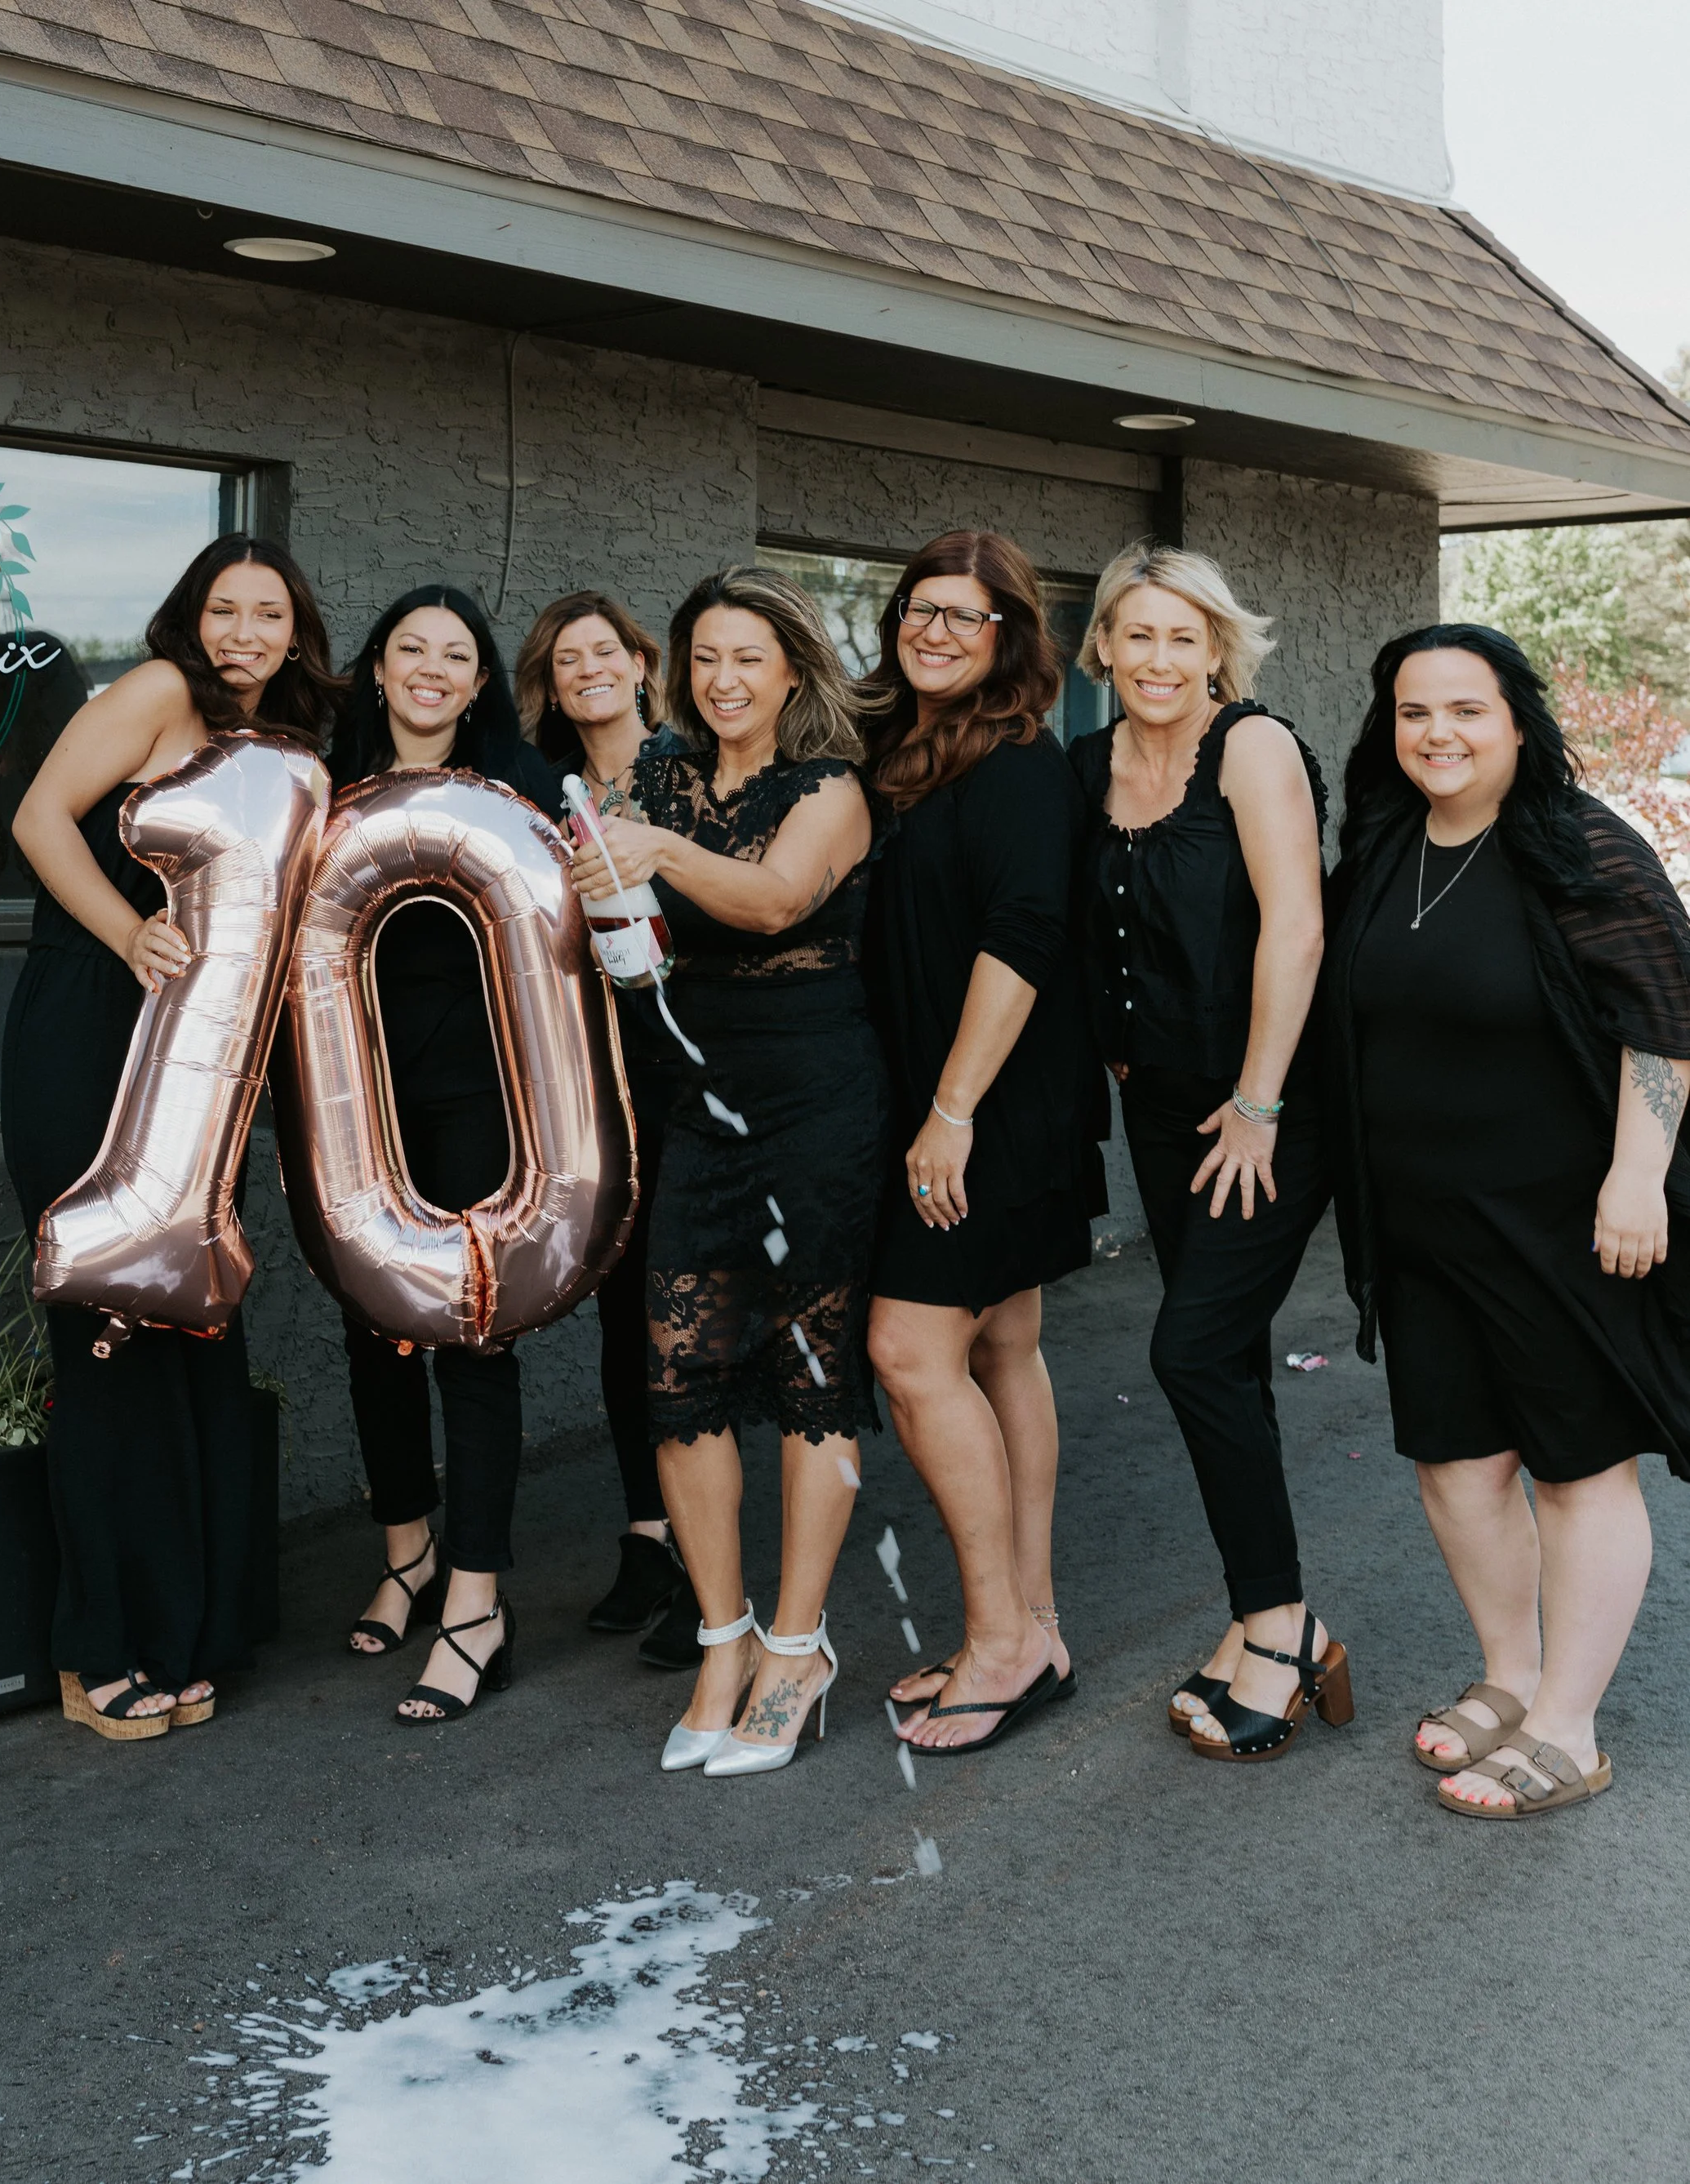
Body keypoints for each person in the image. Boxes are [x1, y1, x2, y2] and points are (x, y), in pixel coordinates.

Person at [1325, 625, 1690, 1818]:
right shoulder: (1385, 843)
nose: (1437, 732)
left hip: (1561, 1223)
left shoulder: (1575, 844)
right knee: (1458, 1464)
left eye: (1466, 710)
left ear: (1516, 722)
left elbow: (1664, 1020)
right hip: (1424, 1225)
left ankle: (1571, 1731)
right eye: (1415, 711)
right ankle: (1512, 1675)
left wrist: (1637, 1178)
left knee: (1579, 1469)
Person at [4, 534, 337, 1740]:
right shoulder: (155, 693)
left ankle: (187, 1627)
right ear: (187, 616)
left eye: (268, 614)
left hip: (197, 1060)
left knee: (192, 1327)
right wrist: (125, 933)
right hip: (92, 1027)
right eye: (223, 609)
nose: (243, 632)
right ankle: (96, 1650)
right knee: (104, 1322)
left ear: (296, 633)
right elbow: (39, 817)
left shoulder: (285, 748)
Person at [570, 566, 886, 1779]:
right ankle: (723, 1636)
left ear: (793, 670)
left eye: (747, 656)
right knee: (681, 1369)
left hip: (815, 1096)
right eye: (704, 657)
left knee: (812, 1371)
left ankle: (800, 1644)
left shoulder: (831, 788)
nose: (724, 678)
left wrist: (647, 846)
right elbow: (614, 917)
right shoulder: (656, 775)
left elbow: (773, 899)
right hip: (694, 1097)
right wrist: (604, 879)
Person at [1067, 543, 1349, 1762]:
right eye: (1138, 636)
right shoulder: (1091, 766)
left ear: (1219, 645)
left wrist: (1258, 1100)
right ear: (1105, 650)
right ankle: (1271, 1616)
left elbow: (1297, 929)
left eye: (1184, 636)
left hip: (1271, 1102)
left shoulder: (1253, 747)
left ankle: (1281, 1628)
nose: (1160, 659)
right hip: (1167, 1105)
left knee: (1188, 1348)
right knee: (1222, 1357)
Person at [860, 532, 1107, 1755]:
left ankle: (1002, 1642)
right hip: (949, 1099)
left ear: (1012, 635)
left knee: (910, 1349)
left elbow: (1024, 937)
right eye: (920, 610)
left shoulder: (1016, 763)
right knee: (1005, 1340)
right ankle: (1031, 1623)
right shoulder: (904, 752)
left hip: (992, 1107)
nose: (938, 631)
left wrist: (951, 1113)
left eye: (968, 616)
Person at [332, 585, 563, 1724]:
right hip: (352, 1090)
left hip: (480, 1087)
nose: (430, 667)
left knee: (472, 1331)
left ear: (479, 685)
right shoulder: (326, 791)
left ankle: (477, 1600)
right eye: (409, 647)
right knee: (372, 1325)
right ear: (377, 668)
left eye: (455, 654)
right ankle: (409, 1548)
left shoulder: (513, 795)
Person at [515, 591, 701, 1662]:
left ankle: (697, 1555)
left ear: (640, 662)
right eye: (564, 657)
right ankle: (649, 1534)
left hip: (690, 1065)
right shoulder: (538, 791)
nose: (587, 668)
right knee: (622, 1310)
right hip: (590, 1075)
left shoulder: (689, 772)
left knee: (685, 1317)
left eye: (604, 650)